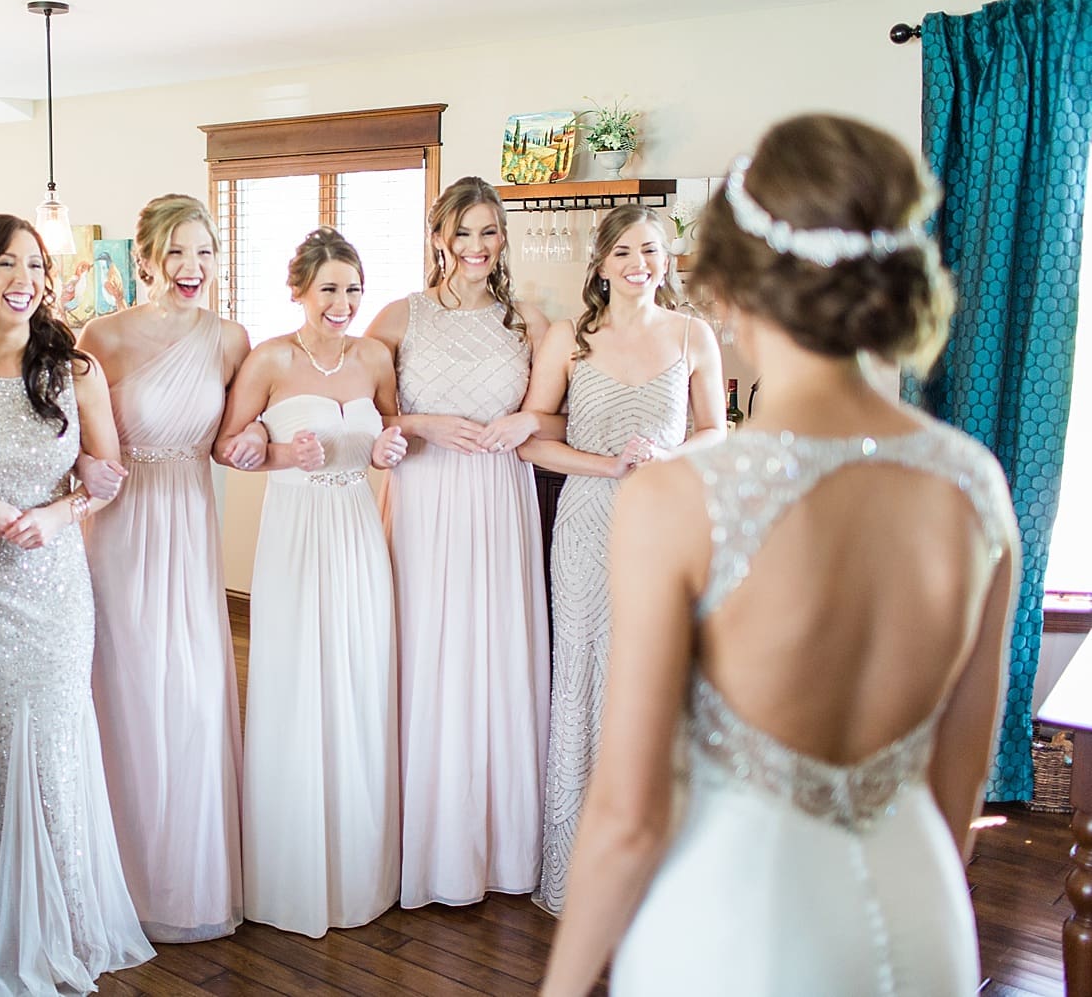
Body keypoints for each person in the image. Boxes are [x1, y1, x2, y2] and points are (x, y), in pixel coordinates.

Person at [540, 114, 1021, 996]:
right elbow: (960, 782)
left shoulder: (679, 496)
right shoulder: (974, 484)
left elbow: (628, 818)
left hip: (737, 932)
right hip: (924, 920)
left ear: (724, 280)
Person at [0, 214, 153, 995]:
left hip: (53, 588)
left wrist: (61, 512)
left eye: (36, 264)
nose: (25, 277)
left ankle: (63, 923)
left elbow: (107, 476)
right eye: (8, 262)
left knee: (49, 748)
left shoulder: (74, 369)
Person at [519, 202, 726, 915]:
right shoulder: (567, 340)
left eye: (652, 251)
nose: (641, 264)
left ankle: (656, 871)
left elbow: (715, 431)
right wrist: (605, 466)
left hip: (664, 521)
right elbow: (533, 439)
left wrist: (666, 455)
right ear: (600, 264)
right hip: (586, 520)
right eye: (625, 253)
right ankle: (581, 868)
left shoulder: (692, 333)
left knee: (655, 678)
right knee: (582, 673)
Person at [365, 176, 554, 909]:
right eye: (463, 233)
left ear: (501, 240)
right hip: (425, 493)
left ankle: (498, 841)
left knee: (496, 652)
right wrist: (420, 425)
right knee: (427, 648)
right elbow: (366, 408)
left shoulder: (527, 321)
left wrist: (526, 424)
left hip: (500, 498)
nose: (476, 247)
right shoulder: (397, 317)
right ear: (438, 238)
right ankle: (424, 837)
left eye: (489, 233)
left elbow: (558, 416)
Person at [217, 226, 409, 938]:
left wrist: (391, 446)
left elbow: (391, 433)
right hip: (294, 529)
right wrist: (275, 452)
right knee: (297, 676)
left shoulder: (374, 357)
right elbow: (229, 447)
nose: (343, 302)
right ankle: (291, 867)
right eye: (329, 288)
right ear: (297, 289)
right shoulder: (268, 359)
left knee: (358, 673)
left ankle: (361, 860)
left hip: (357, 526)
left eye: (353, 288)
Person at [76, 194, 252, 942]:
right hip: (119, 528)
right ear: (144, 258)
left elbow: (240, 429)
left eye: (205, 252)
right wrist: (86, 462)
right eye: (177, 253)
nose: (192, 268)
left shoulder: (230, 339)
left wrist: (261, 440)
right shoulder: (100, 336)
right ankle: (120, 881)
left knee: (194, 691)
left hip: (188, 519)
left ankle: (192, 878)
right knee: (127, 690)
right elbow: (72, 436)